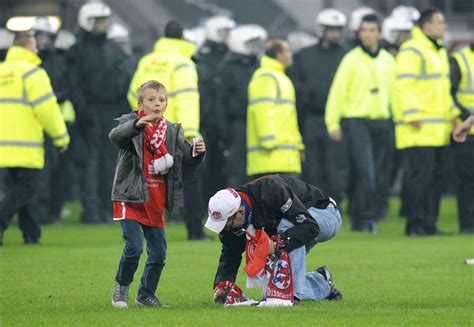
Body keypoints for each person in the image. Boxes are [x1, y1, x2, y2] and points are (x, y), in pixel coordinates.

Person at [109, 80, 205, 308]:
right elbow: (115, 136)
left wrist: (197, 153)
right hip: (129, 197)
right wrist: (137, 124)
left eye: (161, 100)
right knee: (135, 247)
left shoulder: (171, 129)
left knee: (159, 255)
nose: (157, 104)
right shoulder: (129, 122)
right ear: (140, 103)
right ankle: (120, 289)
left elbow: (185, 163)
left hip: (155, 200)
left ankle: (145, 295)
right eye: (151, 99)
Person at [204, 174, 342, 303]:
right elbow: (230, 251)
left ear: (240, 212)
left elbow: (309, 226)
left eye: (225, 224)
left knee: (287, 225)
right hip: (294, 228)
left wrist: (276, 243)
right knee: (270, 293)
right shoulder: (231, 217)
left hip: (325, 214)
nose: (223, 229)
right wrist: (223, 284)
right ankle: (321, 281)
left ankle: (291, 297)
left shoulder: (272, 190)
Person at [128, 20, 208, 240]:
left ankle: (143, 227)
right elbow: (187, 99)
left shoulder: (147, 60)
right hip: (175, 131)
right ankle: (194, 230)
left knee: (150, 179)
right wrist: (190, 133)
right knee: (190, 180)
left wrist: (144, 120)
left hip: (148, 129)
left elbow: (133, 93)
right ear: (182, 37)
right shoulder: (183, 63)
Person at [325, 14, 395, 232]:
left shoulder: (388, 61)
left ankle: (358, 217)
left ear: (380, 33)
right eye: (364, 30)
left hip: (383, 122)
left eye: (372, 30)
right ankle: (366, 219)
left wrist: (400, 119)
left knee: (376, 175)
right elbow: (337, 92)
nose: (367, 34)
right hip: (358, 122)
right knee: (366, 172)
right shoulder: (351, 59)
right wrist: (332, 122)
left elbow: (397, 95)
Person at [0, 32, 70, 246]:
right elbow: (47, 109)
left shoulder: (2, 70)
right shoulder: (33, 73)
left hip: (3, 145)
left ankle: (31, 234)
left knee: (20, 191)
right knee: (26, 189)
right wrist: (61, 137)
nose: (38, 51)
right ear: (28, 48)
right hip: (26, 145)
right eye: (35, 47)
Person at [394, 8, 458, 236]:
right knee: (419, 180)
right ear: (426, 26)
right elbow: (404, 85)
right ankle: (415, 225)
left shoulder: (436, 51)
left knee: (435, 180)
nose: (444, 27)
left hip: (437, 131)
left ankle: (428, 224)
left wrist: (454, 117)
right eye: (440, 22)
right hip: (418, 131)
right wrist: (412, 114)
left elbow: (442, 92)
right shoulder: (412, 51)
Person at [67, 1, 131, 224]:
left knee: (111, 163)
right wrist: (83, 112)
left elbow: (124, 81)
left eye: (105, 21)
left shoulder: (113, 48)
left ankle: (108, 208)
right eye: (100, 21)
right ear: (88, 22)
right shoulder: (76, 51)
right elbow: (74, 85)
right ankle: (91, 210)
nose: (105, 25)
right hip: (90, 112)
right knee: (91, 164)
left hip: (113, 112)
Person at [289, 8, 349, 205]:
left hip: (337, 120)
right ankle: (315, 203)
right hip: (312, 118)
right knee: (313, 165)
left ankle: (334, 203)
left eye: (338, 29)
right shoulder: (304, 56)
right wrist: (309, 97)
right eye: (331, 29)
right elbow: (296, 84)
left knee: (336, 164)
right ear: (320, 29)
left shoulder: (346, 55)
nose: (335, 34)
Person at [30, 17, 76, 224]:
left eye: (48, 36)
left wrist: (59, 96)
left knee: (59, 171)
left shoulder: (59, 61)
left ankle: (52, 210)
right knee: (42, 169)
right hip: (34, 123)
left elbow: (70, 85)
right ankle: (38, 212)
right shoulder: (30, 63)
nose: (43, 41)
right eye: (40, 36)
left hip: (60, 123)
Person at [214, 24, 267, 187]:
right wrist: (224, 132)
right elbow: (220, 103)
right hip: (238, 126)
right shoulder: (227, 69)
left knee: (260, 168)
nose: (255, 48)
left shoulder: (259, 65)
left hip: (258, 124)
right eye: (251, 44)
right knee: (238, 170)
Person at [246, 39, 304, 179]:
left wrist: (298, 145)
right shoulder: (266, 77)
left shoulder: (280, 77)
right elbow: (263, 110)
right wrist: (268, 142)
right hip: (270, 157)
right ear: (278, 55)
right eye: (287, 51)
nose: (291, 55)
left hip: (283, 157)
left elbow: (289, 117)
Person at [450, 45, 474, 233]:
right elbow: (449, 93)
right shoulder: (460, 60)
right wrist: (467, 117)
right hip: (467, 131)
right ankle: (468, 225)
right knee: (467, 180)